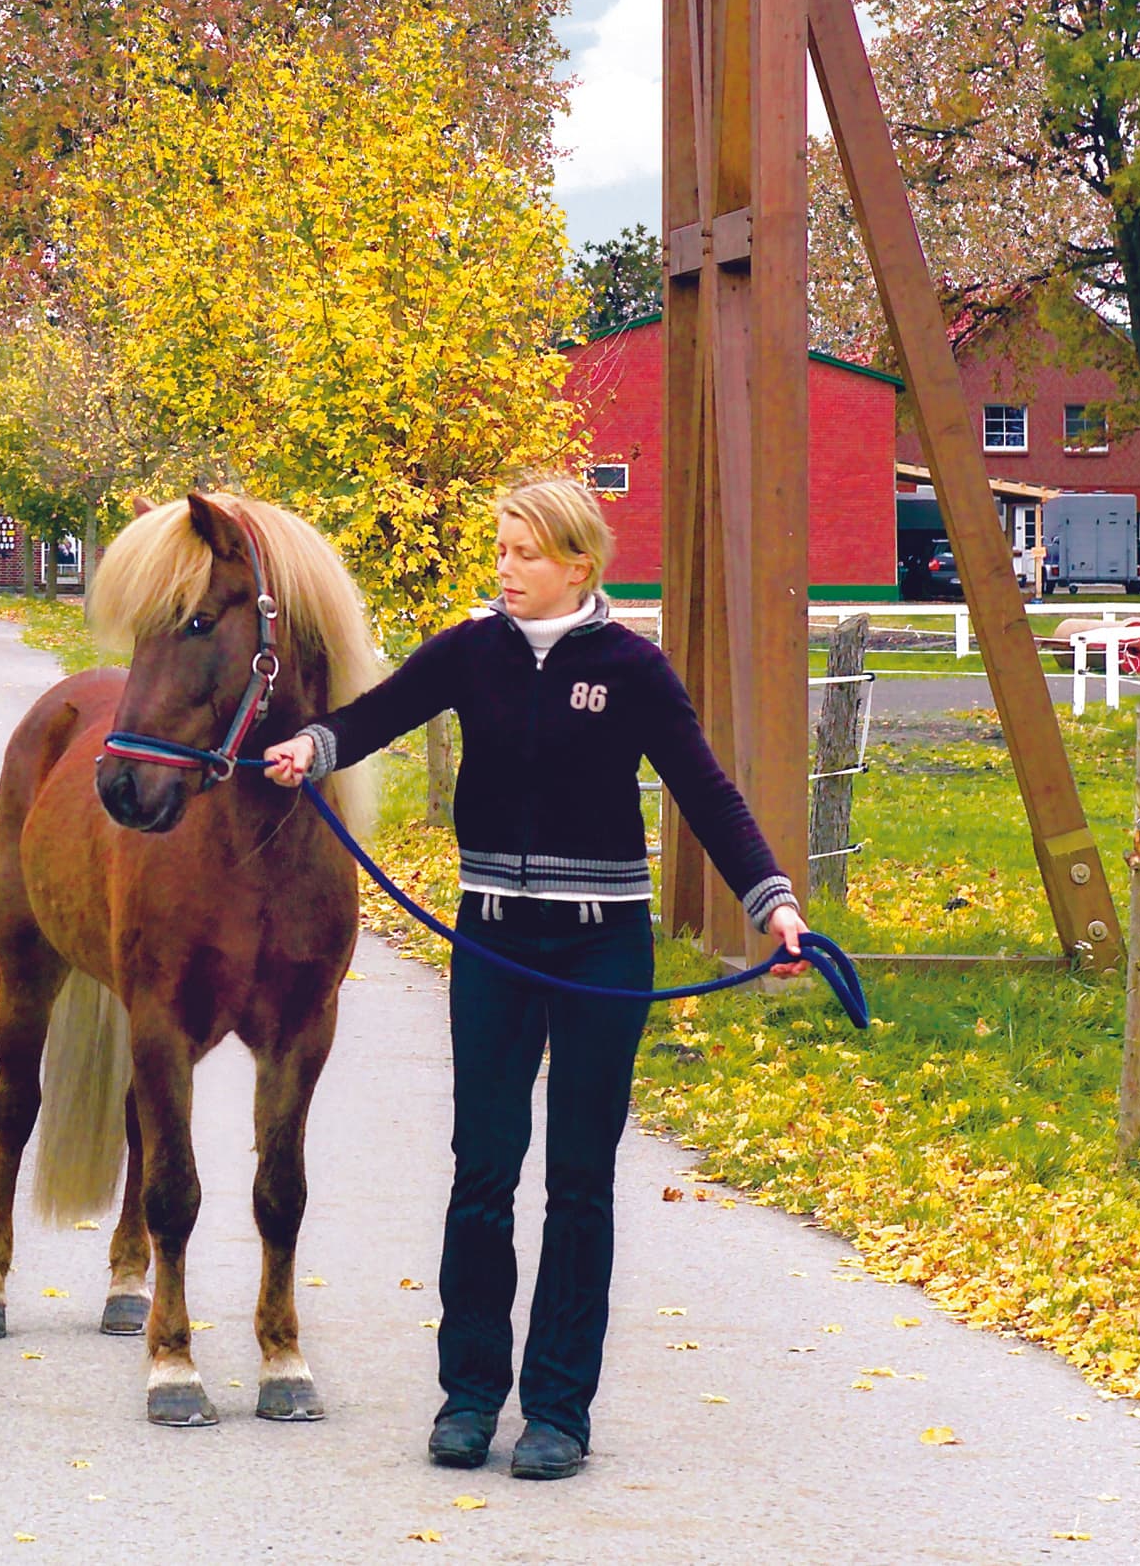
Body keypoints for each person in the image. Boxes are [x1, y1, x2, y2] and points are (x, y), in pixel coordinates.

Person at [261, 476, 807, 1484]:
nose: (503, 567)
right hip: (494, 942)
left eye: (522, 553)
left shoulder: (632, 670)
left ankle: (558, 1408)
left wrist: (772, 901)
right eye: (500, 550)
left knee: (578, 1184)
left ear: (577, 567)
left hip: (603, 947)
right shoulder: (474, 651)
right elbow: (377, 715)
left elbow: (705, 790)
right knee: (483, 1172)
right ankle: (469, 1397)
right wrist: (310, 746)